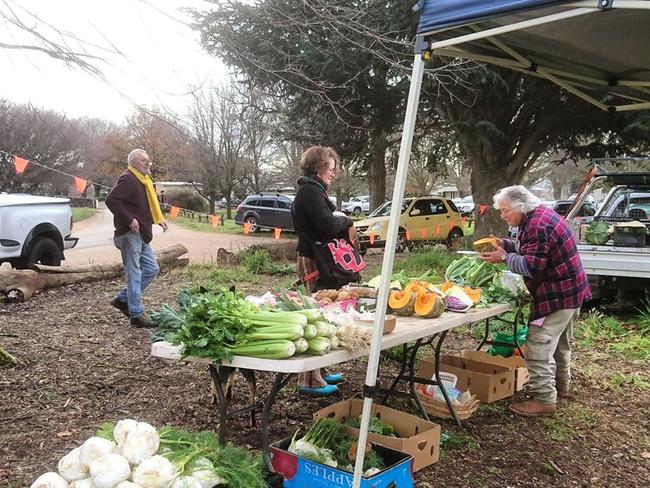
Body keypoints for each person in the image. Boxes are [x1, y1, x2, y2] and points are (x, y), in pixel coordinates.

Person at [479, 185, 590, 417]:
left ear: (520, 206)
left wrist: (504, 258)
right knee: (559, 343)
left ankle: (544, 401)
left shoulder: (537, 225)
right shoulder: (537, 217)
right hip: (573, 289)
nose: (502, 215)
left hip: (558, 293)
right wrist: (505, 245)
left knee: (538, 344)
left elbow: (532, 266)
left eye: (505, 211)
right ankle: (561, 386)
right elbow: (529, 248)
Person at [292, 146, 356, 396]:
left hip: (318, 258)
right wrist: (345, 220)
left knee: (326, 315)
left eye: (333, 168)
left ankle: (321, 369)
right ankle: (309, 379)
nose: (333, 173)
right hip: (312, 260)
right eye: (330, 168)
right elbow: (327, 225)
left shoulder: (314, 191)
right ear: (317, 168)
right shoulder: (310, 193)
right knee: (314, 315)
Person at [106, 148, 169, 328]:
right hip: (129, 234)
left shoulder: (143, 180)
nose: (148, 163)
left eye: (148, 160)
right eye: (144, 161)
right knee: (134, 273)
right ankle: (136, 314)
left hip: (141, 234)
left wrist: (159, 220)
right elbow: (112, 200)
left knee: (151, 269)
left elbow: (143, 207)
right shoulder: (128, 178)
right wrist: (129, 219)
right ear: (133, 163)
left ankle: (122, 299)